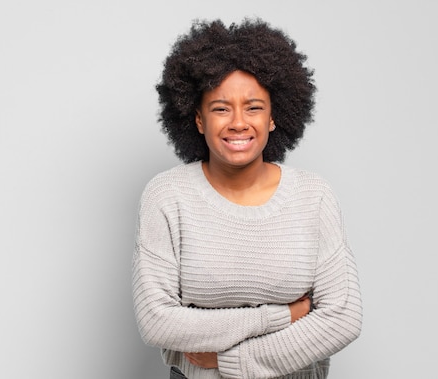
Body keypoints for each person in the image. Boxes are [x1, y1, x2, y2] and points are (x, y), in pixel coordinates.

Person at [132, 18, 362, 379]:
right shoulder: (167, 195)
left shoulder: (313, 196)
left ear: (274, 117)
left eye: (253, 107)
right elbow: (157, 321)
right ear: (198, 120)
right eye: (221, 108)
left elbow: (343, 318)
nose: (238, 122)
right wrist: (282, 315)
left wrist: (230, 360)